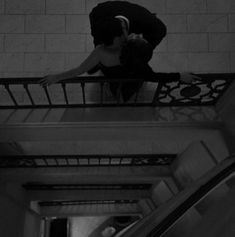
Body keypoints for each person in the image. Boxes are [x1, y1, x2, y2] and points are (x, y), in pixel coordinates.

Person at [40, 36, 200, 102]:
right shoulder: (142, 67)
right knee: (129, 90)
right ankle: (125, 97)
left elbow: (79, 70)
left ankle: (113, 92)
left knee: (113, 85)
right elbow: (157, 77)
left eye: (138, 37)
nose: (137, 34)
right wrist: (179, 75)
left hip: (111, 77)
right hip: (133, 80)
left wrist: (56, 77)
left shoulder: (112, 52)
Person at [89, 0, 167, 50]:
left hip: (137, 19)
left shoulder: (146, 21)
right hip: (104, 13)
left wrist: (145, 48)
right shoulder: (97, 16)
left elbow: (161, 30)